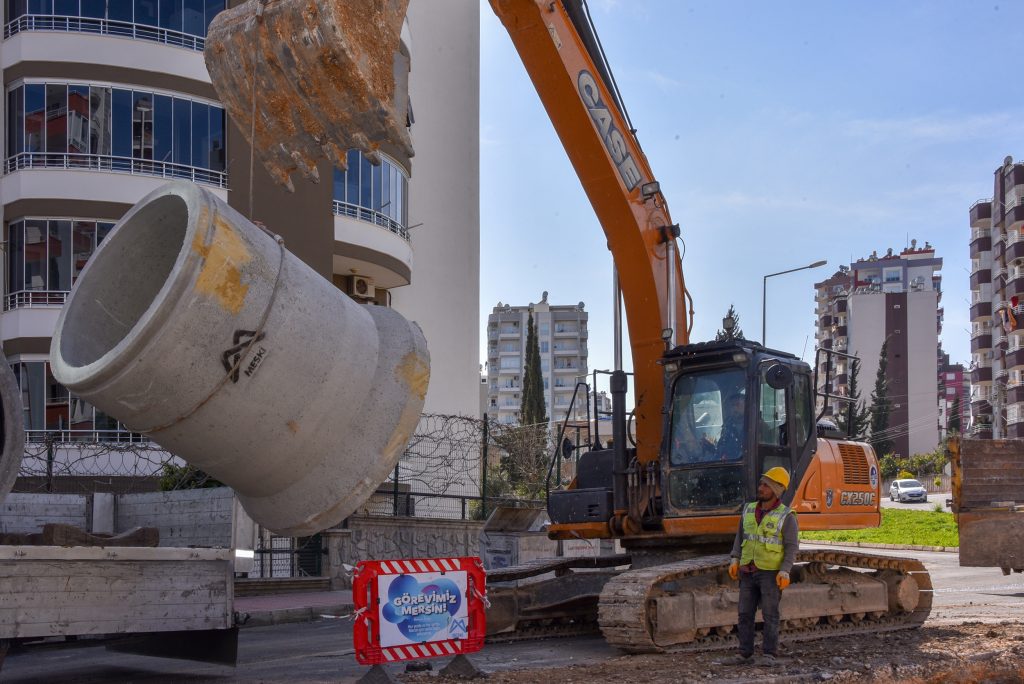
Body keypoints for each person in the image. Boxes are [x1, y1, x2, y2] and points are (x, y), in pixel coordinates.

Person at [725, 467, 798, 666]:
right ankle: (744, 653)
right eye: (761, 484)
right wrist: (735, 558)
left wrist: (785, 570)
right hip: (747, 571)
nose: (761, 488)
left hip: (770, 573)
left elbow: (791, 546)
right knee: (744, 613)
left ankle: (769, 654)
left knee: (770, 614)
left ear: (777, 490)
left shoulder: (786, 516)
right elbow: (740, 536)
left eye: (766, 485)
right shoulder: (748, 510)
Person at [715, 390, 746, 461]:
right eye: (732, 405)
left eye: (737, 405)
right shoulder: (727, 426)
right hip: (731, 464)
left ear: (746, 406)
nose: (734, 408)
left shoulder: (757, 425)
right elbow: (721, 449)